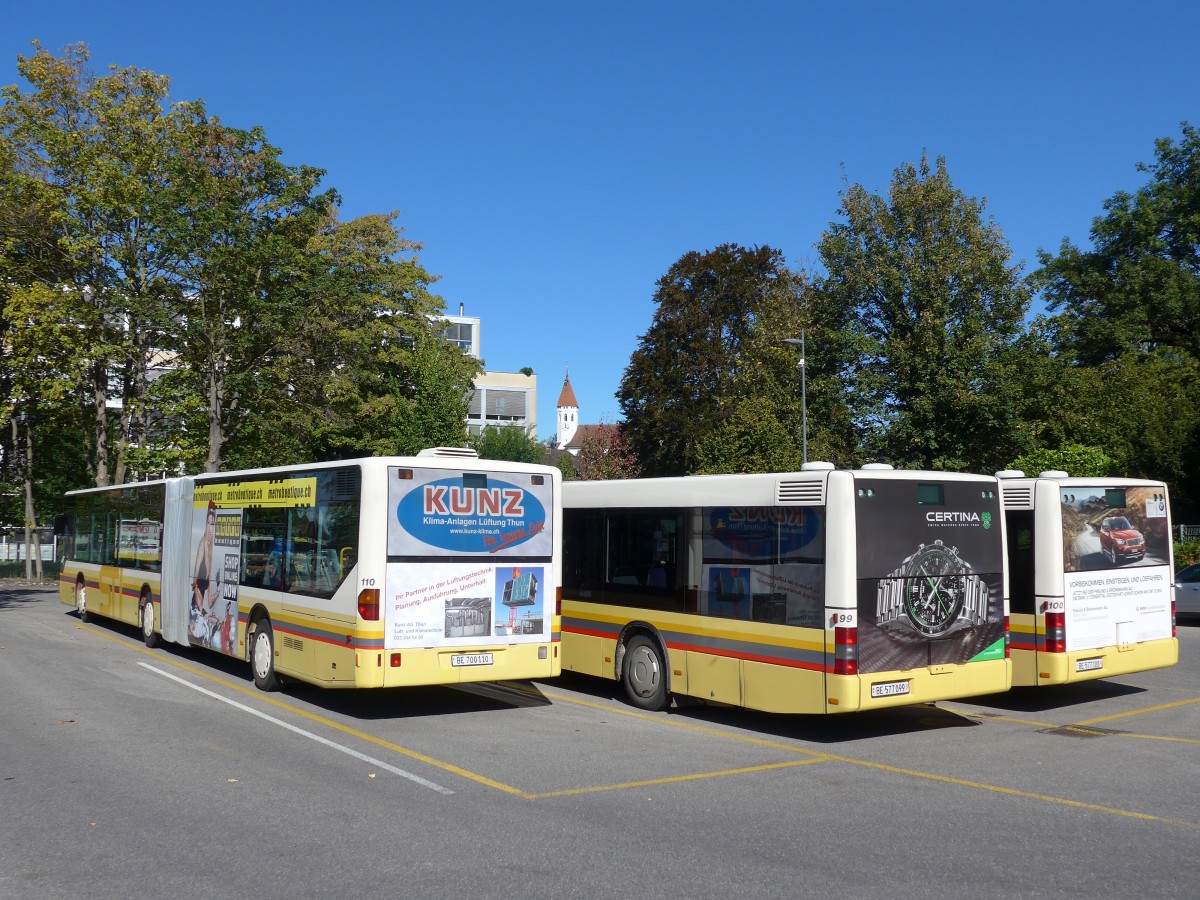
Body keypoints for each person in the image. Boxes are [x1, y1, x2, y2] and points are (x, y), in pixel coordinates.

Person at [192, 501, 218, 613]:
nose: (210, 529)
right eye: (208, 523)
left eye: (212, 524)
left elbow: (210, 602)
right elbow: (195, 574)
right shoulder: (203, 544)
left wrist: (217, 593)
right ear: (205, 524)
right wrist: (195, 588)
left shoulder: (212, 549)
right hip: (196, 606)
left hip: (200, 608)